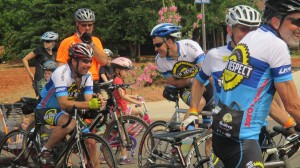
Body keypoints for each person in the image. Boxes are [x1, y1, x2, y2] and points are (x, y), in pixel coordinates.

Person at [184, 1, 300, 167]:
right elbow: (293, 105)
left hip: (222, 135)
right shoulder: (275, 45)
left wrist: (290, 124)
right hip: (242, 142)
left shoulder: (249, 41)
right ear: (276, 21)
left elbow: (258, 96)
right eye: (296, 21)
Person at [35, 43, 104, 166]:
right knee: (69, 123)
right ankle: (46, 149)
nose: (88, 65)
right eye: (84, 61)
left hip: (66, 112)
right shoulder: (61, 73)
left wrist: (97, 100)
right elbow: (63, 104)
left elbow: (88, 99)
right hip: (46, 109)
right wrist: (89, 104)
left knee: (91, 141)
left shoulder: (87, 76)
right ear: (73, 61)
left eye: (89, 61)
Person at [150, 23, 214, 124]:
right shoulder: (159, 60)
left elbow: (207, 72)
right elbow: (173, 82)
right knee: (199, 103)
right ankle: (184, 135)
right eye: (154, 45)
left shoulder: (190, 47)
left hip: (207, 87)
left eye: (158, 45)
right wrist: (190, 81)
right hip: (186, 89)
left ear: (169, 41)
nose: (155, 49)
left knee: (209, 131)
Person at [56, 8, 107, 93]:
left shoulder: (96, 41)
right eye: (83, 25)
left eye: (90, 25)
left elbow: (104, 61)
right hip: (74, 82)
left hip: (93, 82)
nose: (87, 28)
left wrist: (91, 44)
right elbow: (60, 67)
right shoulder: (67, 42)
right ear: (77, 24)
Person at [111, 56, 150, 165]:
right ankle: (123, 157)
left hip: (124, 108)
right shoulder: (117, 80)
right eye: (125, 70)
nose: (127, 72)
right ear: (118, 70)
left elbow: (124, 95)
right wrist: (136, 102)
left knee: (139, 112)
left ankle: (132, 130)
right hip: (120, 111)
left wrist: (136, 97)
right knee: (123, 134)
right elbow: (123, 96)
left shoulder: (119, 80)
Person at [22, 31, 58, 96]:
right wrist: (30, 73)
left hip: (51, 80)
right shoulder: (39, 50)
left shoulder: (55, 53)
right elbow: (24, 59)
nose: (45, 42)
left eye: (47, 41)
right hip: (40, 80)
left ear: (53, 42)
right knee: (41, 99)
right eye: (44, 41)